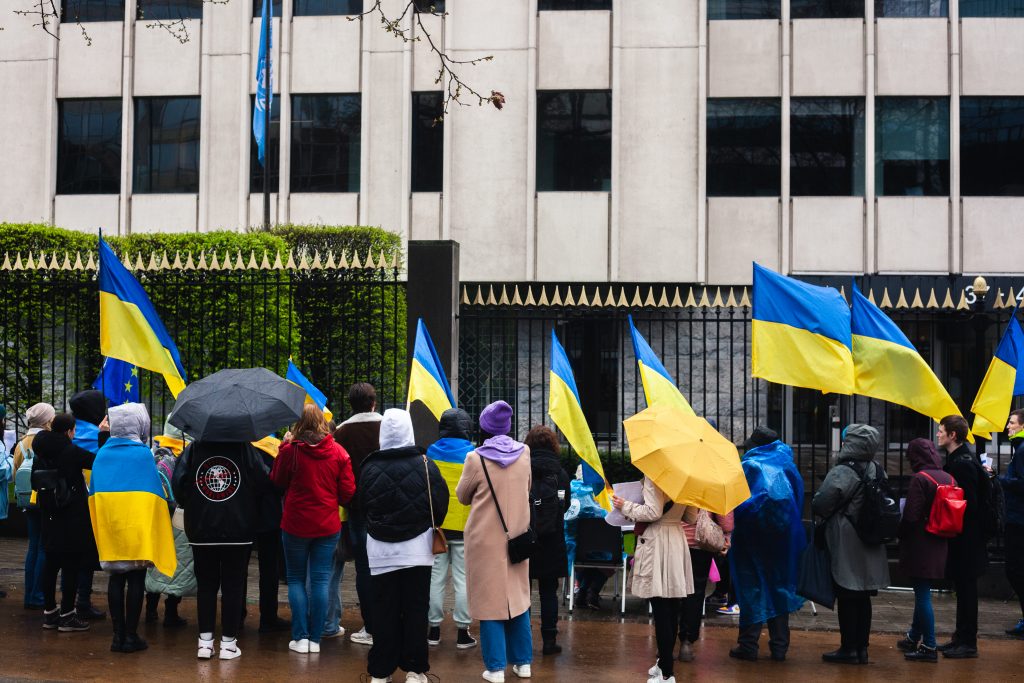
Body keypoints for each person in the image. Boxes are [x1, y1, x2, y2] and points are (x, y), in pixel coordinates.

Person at [359, 408, 447, 683]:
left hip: (381, 551)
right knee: (415, 610)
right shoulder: (425, 464)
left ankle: (380, 672)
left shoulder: (369, 466)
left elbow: (361, 505)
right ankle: (414, 669)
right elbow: (440, 503)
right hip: (418, 551)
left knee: (383, 610)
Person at [172, 432, 271, 660]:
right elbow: (263, 480)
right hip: (239, 527)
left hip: (201, 527)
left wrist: (193, 502)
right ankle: (228, 644)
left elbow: (179, 482)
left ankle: (205, 643)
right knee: (233, 587)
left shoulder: (195, 448)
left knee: (206, 586)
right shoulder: (245, 448)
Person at [456, 400, 533, 683]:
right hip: (518, 538)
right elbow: (527, 488)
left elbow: (463, 495)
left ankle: (496, 667)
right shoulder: (525, 453)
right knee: (518, 598)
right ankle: (523, 663)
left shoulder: (475, 458)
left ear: (484, 428)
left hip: (485, 541)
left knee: (490, 603)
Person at [90, 403, 176, 654]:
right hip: (137, 525)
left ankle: (117, 636)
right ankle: (131, 634)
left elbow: (94, 493)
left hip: (112, 525)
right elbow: (155, 494)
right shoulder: (143, 455)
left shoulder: (103, 454)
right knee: (136, 577)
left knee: (116, 577)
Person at [270, 404, 356, 654]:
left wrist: (284, 446)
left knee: (296, 579)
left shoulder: (291, 451)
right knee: (320, 580)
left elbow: (276, 480)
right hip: (327, 525)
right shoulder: (339, 452)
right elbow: (349, 492)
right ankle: (316, 639)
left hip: (295, 524)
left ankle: (300, 637)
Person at [812, 423, 891, 665]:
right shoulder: (877, 469)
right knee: (863, 596)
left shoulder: (843, 471)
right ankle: (862, 649)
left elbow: (821, 503)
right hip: (869, 539)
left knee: (847, 595)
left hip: (846, 540)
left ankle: (848, 649)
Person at [728, 426, 804, 663]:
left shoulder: (750, 465)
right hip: (784, 537)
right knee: (779, 587)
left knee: (752, 587)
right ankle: (779, 647)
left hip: (752, 537)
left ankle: (748, 645)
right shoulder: (787, 464)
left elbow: (738, 501)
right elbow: (798, 499)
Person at [613, 477, 697, 683]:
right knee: (672, 608)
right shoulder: (686, 477)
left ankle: (667, 672)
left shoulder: (656, 476)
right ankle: (663, 665)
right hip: (676, 540)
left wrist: (626, 506)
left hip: (656, 541)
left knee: (661, 610)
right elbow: (692, 517)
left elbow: (653, 512)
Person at [31, 413, 94, 633]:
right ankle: (67, 615)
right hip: (72, 516)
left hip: (48, 514)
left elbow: (34, 481)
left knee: (50, 564)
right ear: (69, 431)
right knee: (71, 567)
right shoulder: (71, 451)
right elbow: (97, 461)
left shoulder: (40, 452)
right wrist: (104, 436)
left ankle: (49, 613)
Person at [333, 381, 382, 647]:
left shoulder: (340, 432)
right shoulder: (388, 426)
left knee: (364, 566)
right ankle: (390, 619)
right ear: (373, 402)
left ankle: (370, 626)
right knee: (389, 565)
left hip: (357, 507)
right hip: (387, 506)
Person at [938, 414, 989, 659]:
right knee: (962, 586)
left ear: (952, 435)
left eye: (941, 431)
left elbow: (970, 503)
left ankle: (968, 642)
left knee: (967, 588)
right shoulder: (959, 459)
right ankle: (960, 637)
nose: (938, 434)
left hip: (967, 537)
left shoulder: (963, 463)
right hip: (964, 535)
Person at [896, 438, 952, 663]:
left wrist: (899, 532)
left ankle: (929, 645)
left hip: (920, 543)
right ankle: (913, 636)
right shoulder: (948, 476)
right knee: (923, 590)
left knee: (922, 594)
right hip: (940, 541)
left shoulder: (920, 479)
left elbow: (910, 515)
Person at [427, 408, 477, 650]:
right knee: (463, 579)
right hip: (465, 527)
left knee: (435, 578)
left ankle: (433, 630)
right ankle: (462, 632)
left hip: (438, 527)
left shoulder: (430, 453)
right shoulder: (474, 455)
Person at [524, 425, 571, 656]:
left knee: (524, 591)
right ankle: (550, 641)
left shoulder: (523, 470)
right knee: (549, 592)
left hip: (526, 537)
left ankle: (523, 639)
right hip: (553, 539)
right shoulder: (561, 474)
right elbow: (567, 505)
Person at [144, 439, 196, 629]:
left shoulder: (156, 453)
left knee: (156, 564)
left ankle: (150, 608)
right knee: (178, 564)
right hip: (178, 517)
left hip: (157, 516)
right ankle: (171, 612)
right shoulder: (187, 453)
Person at [67, 389, 108, 621]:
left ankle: (67, 602)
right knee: (87, 554)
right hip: (92, 500)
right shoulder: (97, 435)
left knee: (68, 555)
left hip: (67, 501)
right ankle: (83, 600)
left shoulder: (68, 432)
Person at [14, 402, 54, 610]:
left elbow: (14, 474)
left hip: (26, 501)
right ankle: (38, 594)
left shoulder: (21, 444)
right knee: (43, 548)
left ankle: (29, 593)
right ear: (48, 420)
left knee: (32, 546)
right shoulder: (48, 440)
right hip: (44, 499)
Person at [680, 507, 733, 662]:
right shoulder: (712, 484)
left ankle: (664, 644)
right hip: (700, 544)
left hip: (672, 542)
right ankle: (687, 642)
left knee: (671, 592)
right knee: (695, 593)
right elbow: (727, 523)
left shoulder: (673, 484)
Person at [252, 434, 290, 633]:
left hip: (244, 515)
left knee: (238, 570)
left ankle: (237, 615)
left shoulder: (242, 446)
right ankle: (268, 617)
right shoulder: (274, 448)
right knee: (269, 570)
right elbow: (280, 483)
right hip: (270, 515)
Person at [1001, 409, 1024, 638]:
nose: (1008, 427)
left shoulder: (1023, 450)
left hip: (1018, 520)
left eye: (1012, 423)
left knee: (1015, 570)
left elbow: (1021, 484)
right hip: (1017, 517)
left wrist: (999, 479)